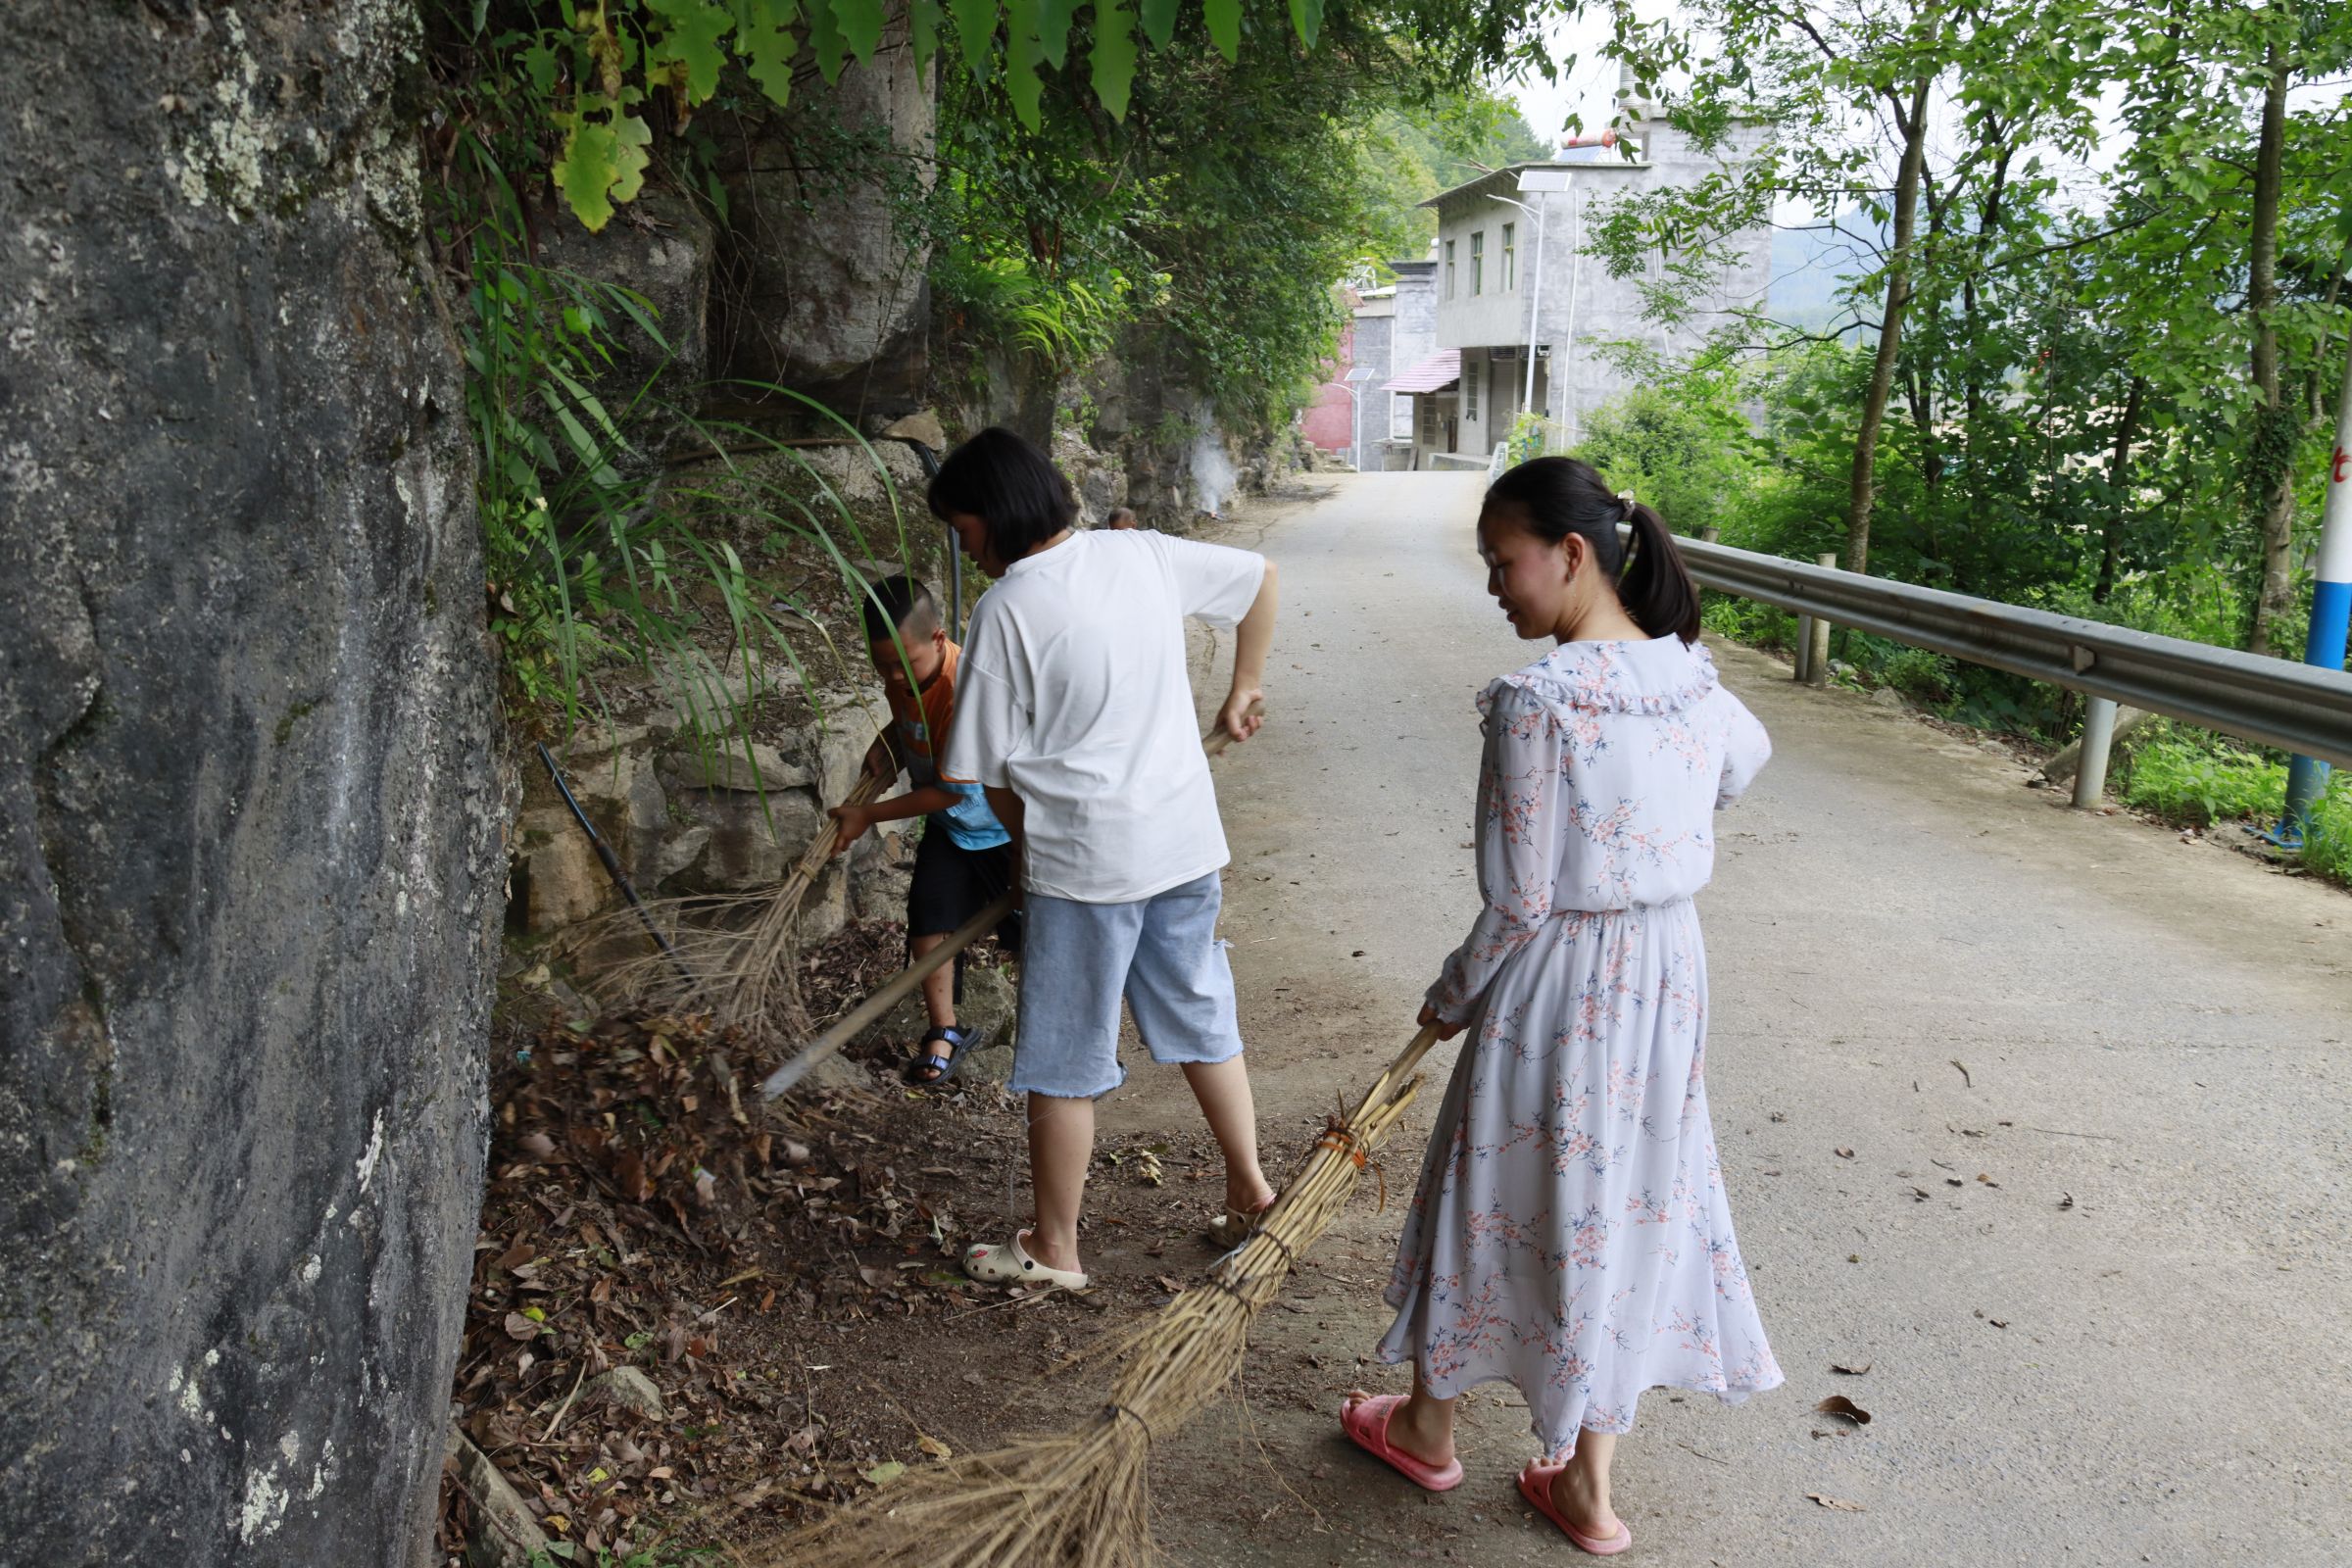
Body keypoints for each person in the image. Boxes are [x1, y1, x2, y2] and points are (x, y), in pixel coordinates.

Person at [1342, 457, 1781, 1555]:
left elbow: (1521, 900)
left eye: (1504, 561)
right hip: (1664, 972)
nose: (1496, 585)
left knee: (1494, 1183)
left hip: (1560, 983)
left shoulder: (1538, 703)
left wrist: (1449, 1001)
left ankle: (1429, 1426)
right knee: (1623, 1194)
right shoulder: (1689, 674)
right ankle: (1587, 1485)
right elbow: (1743, 762)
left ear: (1571, 554)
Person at [931, 426, 1280, 1291]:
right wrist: (1244, 686)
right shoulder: (1140, 555)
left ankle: (1055, 1249)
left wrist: (1025, 853)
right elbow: (1262, 580)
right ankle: (1251, 1188)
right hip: (1183, 842)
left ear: (996, 514)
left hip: (1087, 868)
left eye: (963, 526)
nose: (962, 545)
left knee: (1063, 1056)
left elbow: (976, 772)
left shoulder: (1007, 609)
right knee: (1200, 1013)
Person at [826, 574, 1014, 1086]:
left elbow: (952, 790)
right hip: (952, 829)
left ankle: (1066, 1033)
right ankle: (946, 1031)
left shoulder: (962, 689)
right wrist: (888, 747)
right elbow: (911, 721)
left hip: (1002, 826)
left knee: (1031, 935)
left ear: (937, 640)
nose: (891, 677)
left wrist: (867, 814)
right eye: (880, 664)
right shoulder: (907, 674)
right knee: (929, 921)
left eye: (900, 664)